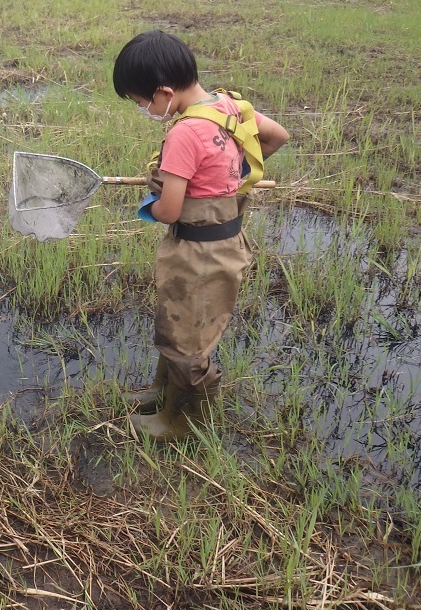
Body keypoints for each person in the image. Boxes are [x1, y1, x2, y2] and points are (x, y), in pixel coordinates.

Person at [112, 30, 289, 441]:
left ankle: (183, 423)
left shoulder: (183, 134)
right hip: (226, 242)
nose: (145, 111)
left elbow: (170, 210)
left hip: (197, 252)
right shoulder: (231, 106)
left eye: (143, 104)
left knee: (188, 340)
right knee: (179, 323)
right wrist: (232, 177)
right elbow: (277, 135)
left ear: (164, 92)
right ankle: (162, 392)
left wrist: (150, 206)